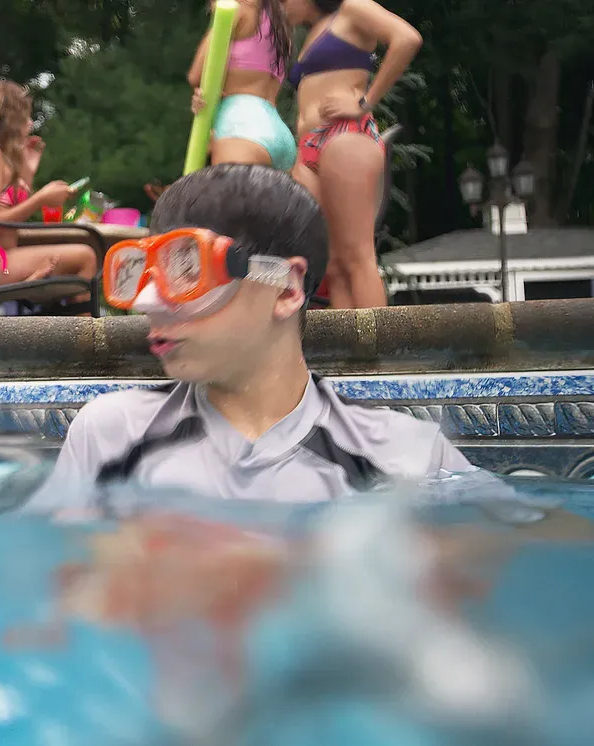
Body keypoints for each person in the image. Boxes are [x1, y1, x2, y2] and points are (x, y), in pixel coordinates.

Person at [26, 164, 473, 511]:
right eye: (141, 273)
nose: (147, 302)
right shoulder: (109, 436)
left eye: (187, 268)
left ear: (285, 289)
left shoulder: (406, 459)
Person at [283, 0, 422, 309]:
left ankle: (378, 341)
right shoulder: (311, 32)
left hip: (345, 135)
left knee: (358, 257)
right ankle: (348, 341)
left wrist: (365, 102)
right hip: (308, 149)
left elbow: (407, 38)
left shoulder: (353, 8)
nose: (279, 6)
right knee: (331, 265)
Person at [0, 80, 99, 289]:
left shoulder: (0, 158)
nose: (31, 123)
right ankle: (79, 312)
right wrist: (40, 199)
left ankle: (58, 306)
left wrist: (28, 170)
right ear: (10, 119)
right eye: (25, 116)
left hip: (3, 255)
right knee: (86, 256)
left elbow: (10, 213)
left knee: (76, 257)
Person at [188, 0, 297, 170]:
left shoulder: (235, 9)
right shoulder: (279, 16)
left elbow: (197, 75)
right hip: (279, 132)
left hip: (240, 128)